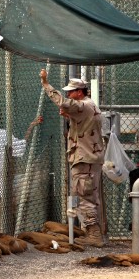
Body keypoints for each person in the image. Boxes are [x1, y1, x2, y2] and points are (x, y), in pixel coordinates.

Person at [40, 68, 106, 247]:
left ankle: (94, 234)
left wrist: (46, 84)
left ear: (79, 92)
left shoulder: (83, 105)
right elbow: (83, 124)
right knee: (90, 195)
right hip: (89, 158)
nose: (68, 94)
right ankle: (93, 232)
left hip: (85, 158)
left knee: (84, 195)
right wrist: (70, 115)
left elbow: (61, 101)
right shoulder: (89, 106)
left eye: (71, 91)